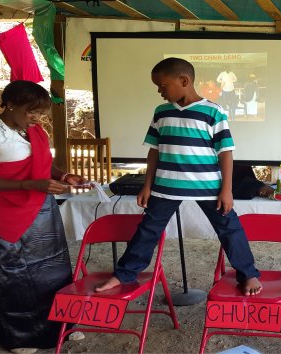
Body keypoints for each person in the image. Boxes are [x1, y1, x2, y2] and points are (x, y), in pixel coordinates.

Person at [95, 57, 262, 296]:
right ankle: (123, 274)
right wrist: (147, 185)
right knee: (147, 230)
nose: (160, 91)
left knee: (229, 229)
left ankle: (249, 274)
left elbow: (226, 153)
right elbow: (154, 150)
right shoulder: (161, 112)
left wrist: (227, 189)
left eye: (162, 86)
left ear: (183, 80)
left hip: (208, 187)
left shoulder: (213, 112)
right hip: (166, 186)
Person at [0, 80, 85, 352]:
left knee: (52, 271)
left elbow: (44, 165)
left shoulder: (34, 130)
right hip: (5, 213)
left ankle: (60, 326)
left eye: (40, 112)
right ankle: (18, 335)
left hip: (41, 209)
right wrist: (30, 185)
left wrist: (63, 176)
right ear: (10, 104)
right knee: (14, 275)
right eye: (31, 111)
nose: (37, 118)